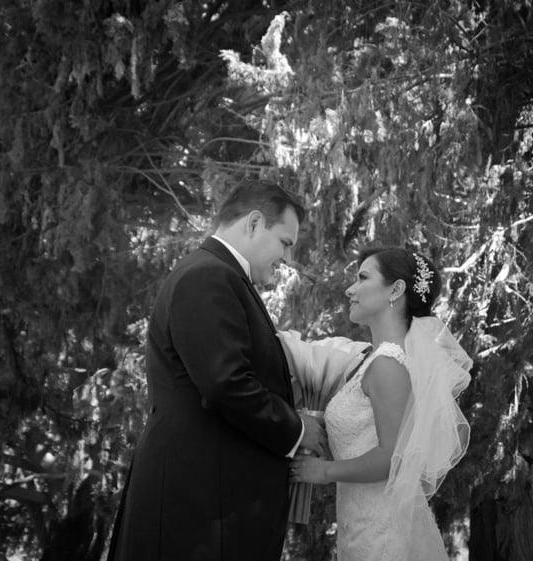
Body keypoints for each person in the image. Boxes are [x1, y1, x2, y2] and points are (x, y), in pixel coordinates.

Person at [107, 180, 326, 561]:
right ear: (254, 223)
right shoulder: (208, 275)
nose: (286, 258)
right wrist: (296, 427)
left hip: (207, 499)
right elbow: (225, 383)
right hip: (197, 507)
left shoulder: (217, 274)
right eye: (285, 243)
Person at [291, 247, 472, 561]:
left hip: (383, 530)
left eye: (362, 277)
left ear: (396, 289)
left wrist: (323, 472)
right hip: (363, 521)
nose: (350, 289)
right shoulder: (378, 360)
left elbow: (393, 459)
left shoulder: (388, 363)